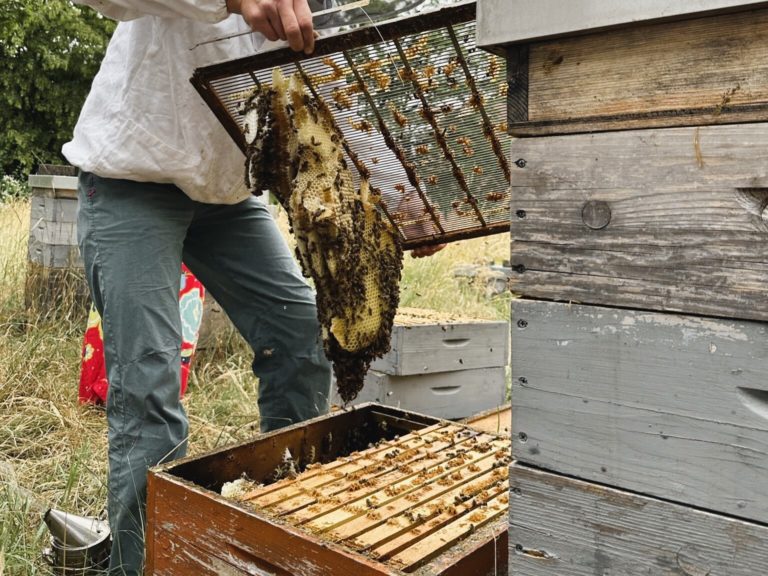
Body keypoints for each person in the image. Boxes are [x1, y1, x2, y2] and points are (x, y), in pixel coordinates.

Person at [64, 2, 332, 574]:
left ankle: (276, 526)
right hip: (130, 181)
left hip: (227, 198)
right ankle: (143, 565)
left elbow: (318, 113)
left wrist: (394, 206)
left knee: (300, 335)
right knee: (149, 391)